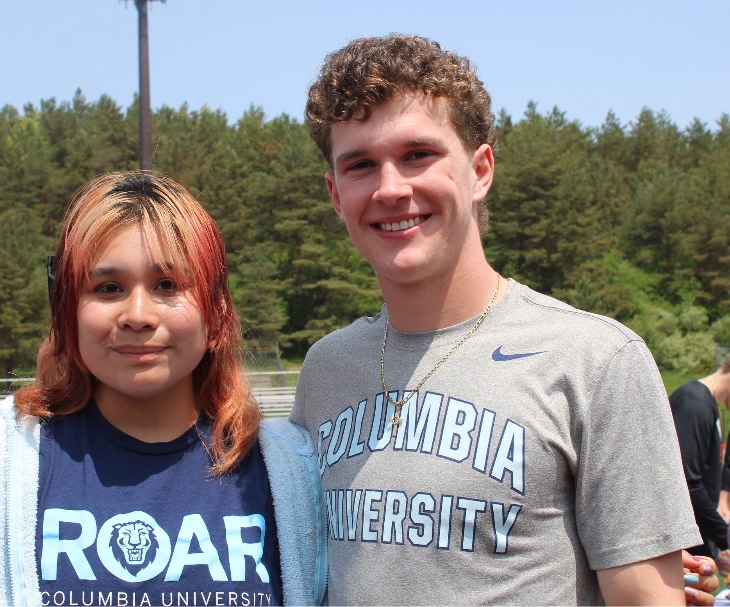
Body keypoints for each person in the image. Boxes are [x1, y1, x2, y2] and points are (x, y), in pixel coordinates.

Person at [290, 33, 710, 605]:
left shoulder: (596, 361)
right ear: (336, 195)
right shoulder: (326, 368)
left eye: (418, 154)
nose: (391, 188)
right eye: (361, 165)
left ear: (481, 169)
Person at [0, 172, 327, 606]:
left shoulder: (291, 473)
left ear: (215, 314)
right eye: (108, 288)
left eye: (168, 285)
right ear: (68, 313)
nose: (137, 314)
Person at [671, 355, 730, 564]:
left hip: (696, 540)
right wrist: (726, 538)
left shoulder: (706, 403)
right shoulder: (696, 405)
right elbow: (689, 485)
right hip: (680, 547)